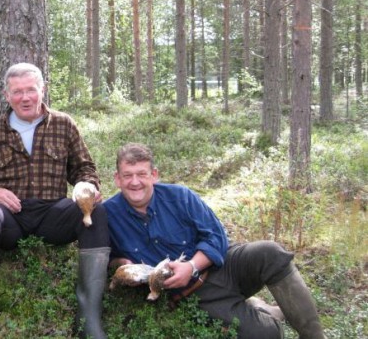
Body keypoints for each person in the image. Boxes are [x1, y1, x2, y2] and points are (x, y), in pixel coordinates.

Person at [103, 143, 325, 339]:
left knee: (270, 252)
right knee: (265, 334)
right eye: (127, 175)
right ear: (117, 178)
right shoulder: (107, 214)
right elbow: (108, 258)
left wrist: (191, 266)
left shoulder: (180, 196)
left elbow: (217, 236)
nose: (135, 182)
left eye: (141, 174)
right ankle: (264, 311)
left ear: (154, 175)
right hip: (194, 295)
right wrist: (122, 266)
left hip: (222, 265)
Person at [0, 63, 110, 338]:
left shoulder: (63, 124)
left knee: (97, 212)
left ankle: (89, 315)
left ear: (42, 90)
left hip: (53, 215)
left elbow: (85, 168)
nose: (25, 97)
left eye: (31, 89)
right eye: (17, 92)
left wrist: (86, 185)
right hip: (10, 219)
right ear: (7, 96)